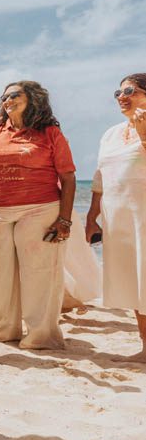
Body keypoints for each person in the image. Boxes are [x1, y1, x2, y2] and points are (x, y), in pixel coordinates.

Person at [0, 81, 76, 350]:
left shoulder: (50, 133)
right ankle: (1, 331)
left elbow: (68, 177)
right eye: (4, 96)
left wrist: (64, 219)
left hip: (40, 209)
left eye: (15, 95)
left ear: (33, 99)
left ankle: (40, 335)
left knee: (38, 273)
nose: (7, 100)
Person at [86, 74, 146, 360]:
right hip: (117, 217)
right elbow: (100, 179)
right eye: (118, 92)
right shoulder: (111, 134)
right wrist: (91, 217)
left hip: (143, 215)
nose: (122, 96)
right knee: (133, 280)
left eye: (130, 91)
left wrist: (144, 134)